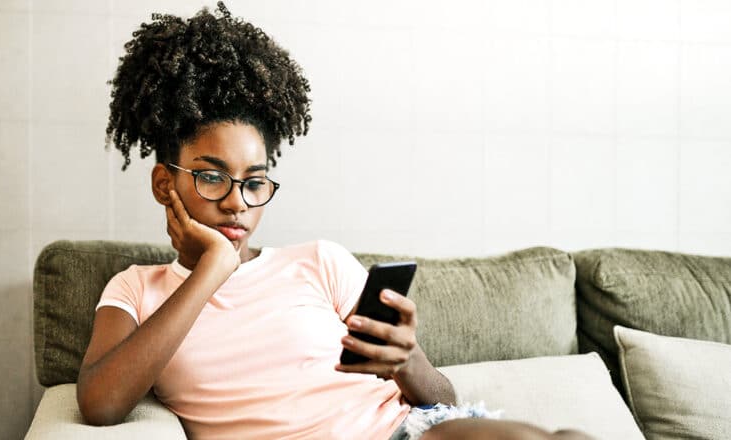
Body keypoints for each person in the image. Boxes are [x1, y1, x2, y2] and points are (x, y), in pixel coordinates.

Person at [77, 3, 593, 439]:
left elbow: (441, 397)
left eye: (255, 182)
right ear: (165, 184)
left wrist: (406, 360)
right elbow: (100, 405)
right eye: (213, 178)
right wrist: (213, 267)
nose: (238, 203)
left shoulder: (319, 262)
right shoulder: (135, 290)